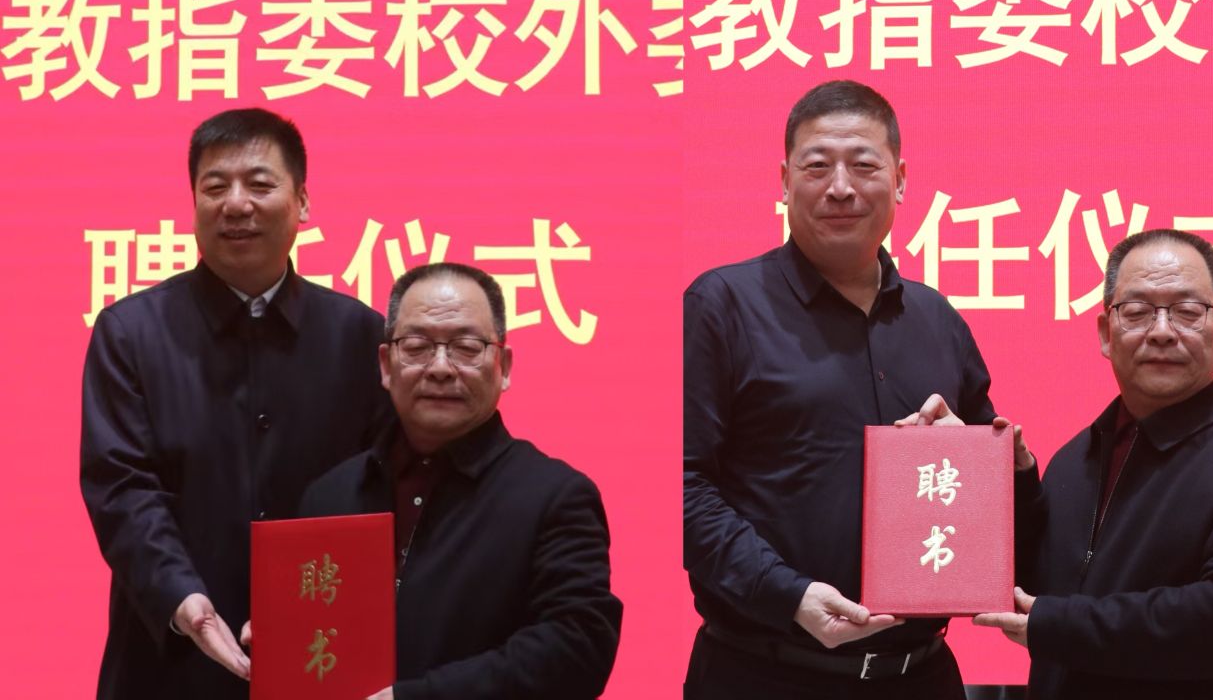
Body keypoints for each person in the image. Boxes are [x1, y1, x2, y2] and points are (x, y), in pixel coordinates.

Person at [683, 80, 1032, 698]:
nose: (840, 187)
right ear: (784, 181)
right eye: (817, 167)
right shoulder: (721, 305)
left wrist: (1009, 462)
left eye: (864, 166)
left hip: (921, 677)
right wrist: (788, 595)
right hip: (763, 675)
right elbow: (682, 488)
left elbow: (991, 501)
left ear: (899, 179)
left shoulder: (938, 320)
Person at [81, 108, 386, 699]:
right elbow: (122, 488)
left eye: (260, 184)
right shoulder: (131, 333)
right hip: (165, 657)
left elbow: (380, 492)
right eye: (215, 187)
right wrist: (181, 598)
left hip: (321, 655)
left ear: (302, 202)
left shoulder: (360, 336)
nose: (236, 204)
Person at [974, 229, 1213, 699]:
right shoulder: (1074, 460)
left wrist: (1059, 624)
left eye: (1188, 311)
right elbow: (1039, 587)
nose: (1161, 331)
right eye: (1136, 312)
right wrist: (1016, 482)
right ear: (1105, 333)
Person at [297, 262, 622, 699]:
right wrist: (284, 637)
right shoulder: (329, 495)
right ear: (386, 365)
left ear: (504, 365)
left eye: (466, 348)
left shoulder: (556, 497)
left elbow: (576, 648)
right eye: (417, 347)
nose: (440, 368)